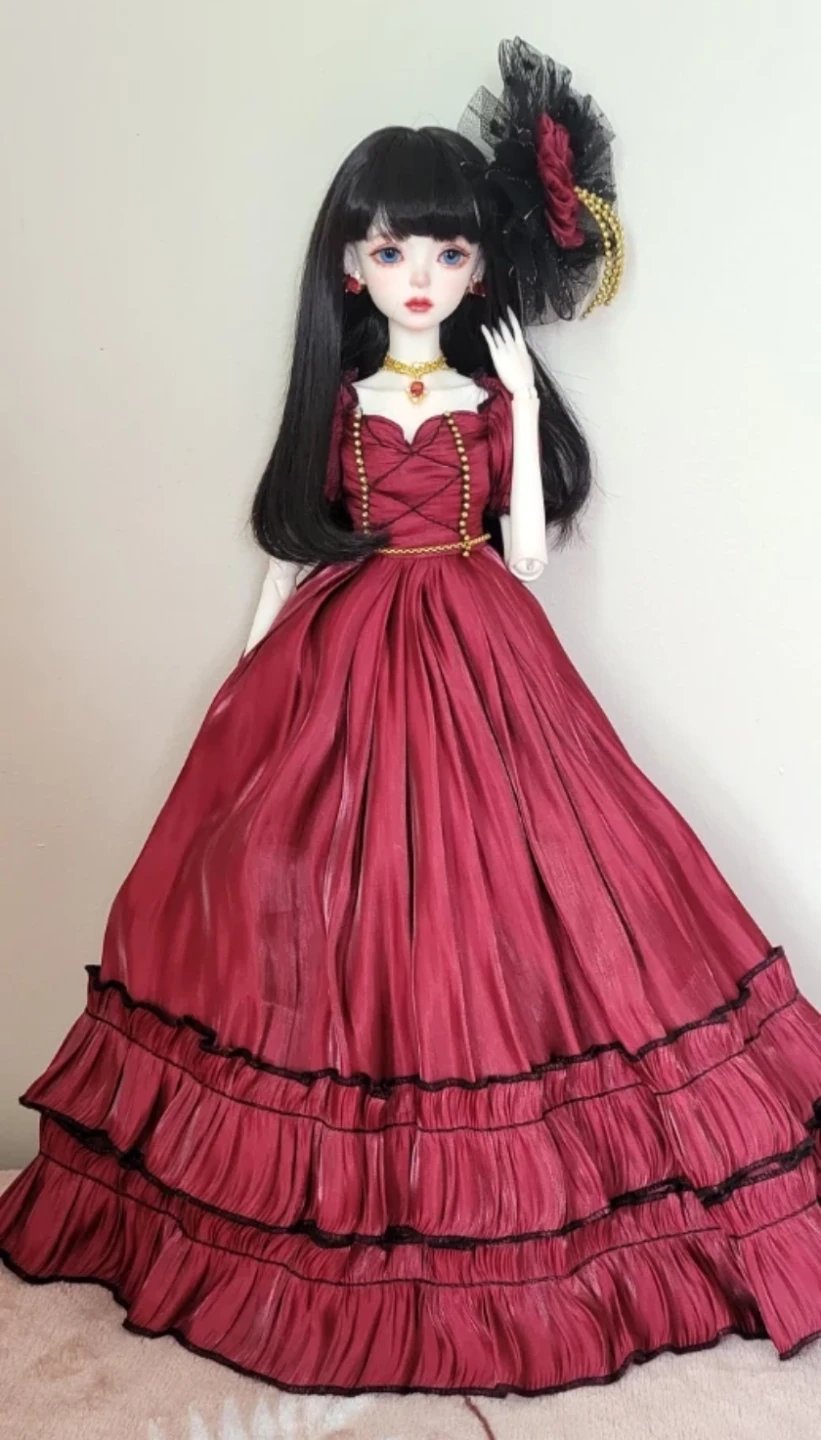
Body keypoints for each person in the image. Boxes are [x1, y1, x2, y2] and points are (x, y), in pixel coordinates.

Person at [2, 36, 821, 1398]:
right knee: (332, 889)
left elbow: (530, 558)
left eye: (444, 252)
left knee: (519, 886)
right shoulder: (346, 403)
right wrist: (244, 686)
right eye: (392, 252)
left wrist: (520, 404)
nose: (420, 276)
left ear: (480, 266)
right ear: (352, 267)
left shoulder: (490, 400)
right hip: (347, 649)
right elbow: (294, 545)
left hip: (484, 639)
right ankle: (355, 1174)